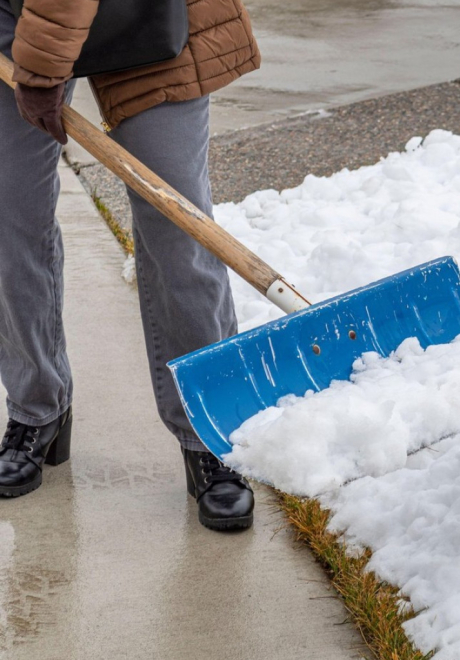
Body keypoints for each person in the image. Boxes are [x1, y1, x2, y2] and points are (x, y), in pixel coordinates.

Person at [0, 0, 259, 531]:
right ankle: (37, 409)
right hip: (16, 17)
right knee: (9, 217)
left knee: (178, 226)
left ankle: (208, 431)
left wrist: (45, 70)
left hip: (150, 17)